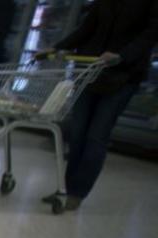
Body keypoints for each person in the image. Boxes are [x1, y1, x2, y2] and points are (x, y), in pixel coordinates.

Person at [40, 0, 158, 211]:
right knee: (77, 133)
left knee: (96, 135)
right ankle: (64, 189)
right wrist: (58, 46)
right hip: (90, 70)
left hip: (123, 75)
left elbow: (150, 34)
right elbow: (87, 27)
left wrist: (123, 56)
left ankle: (77, 193)